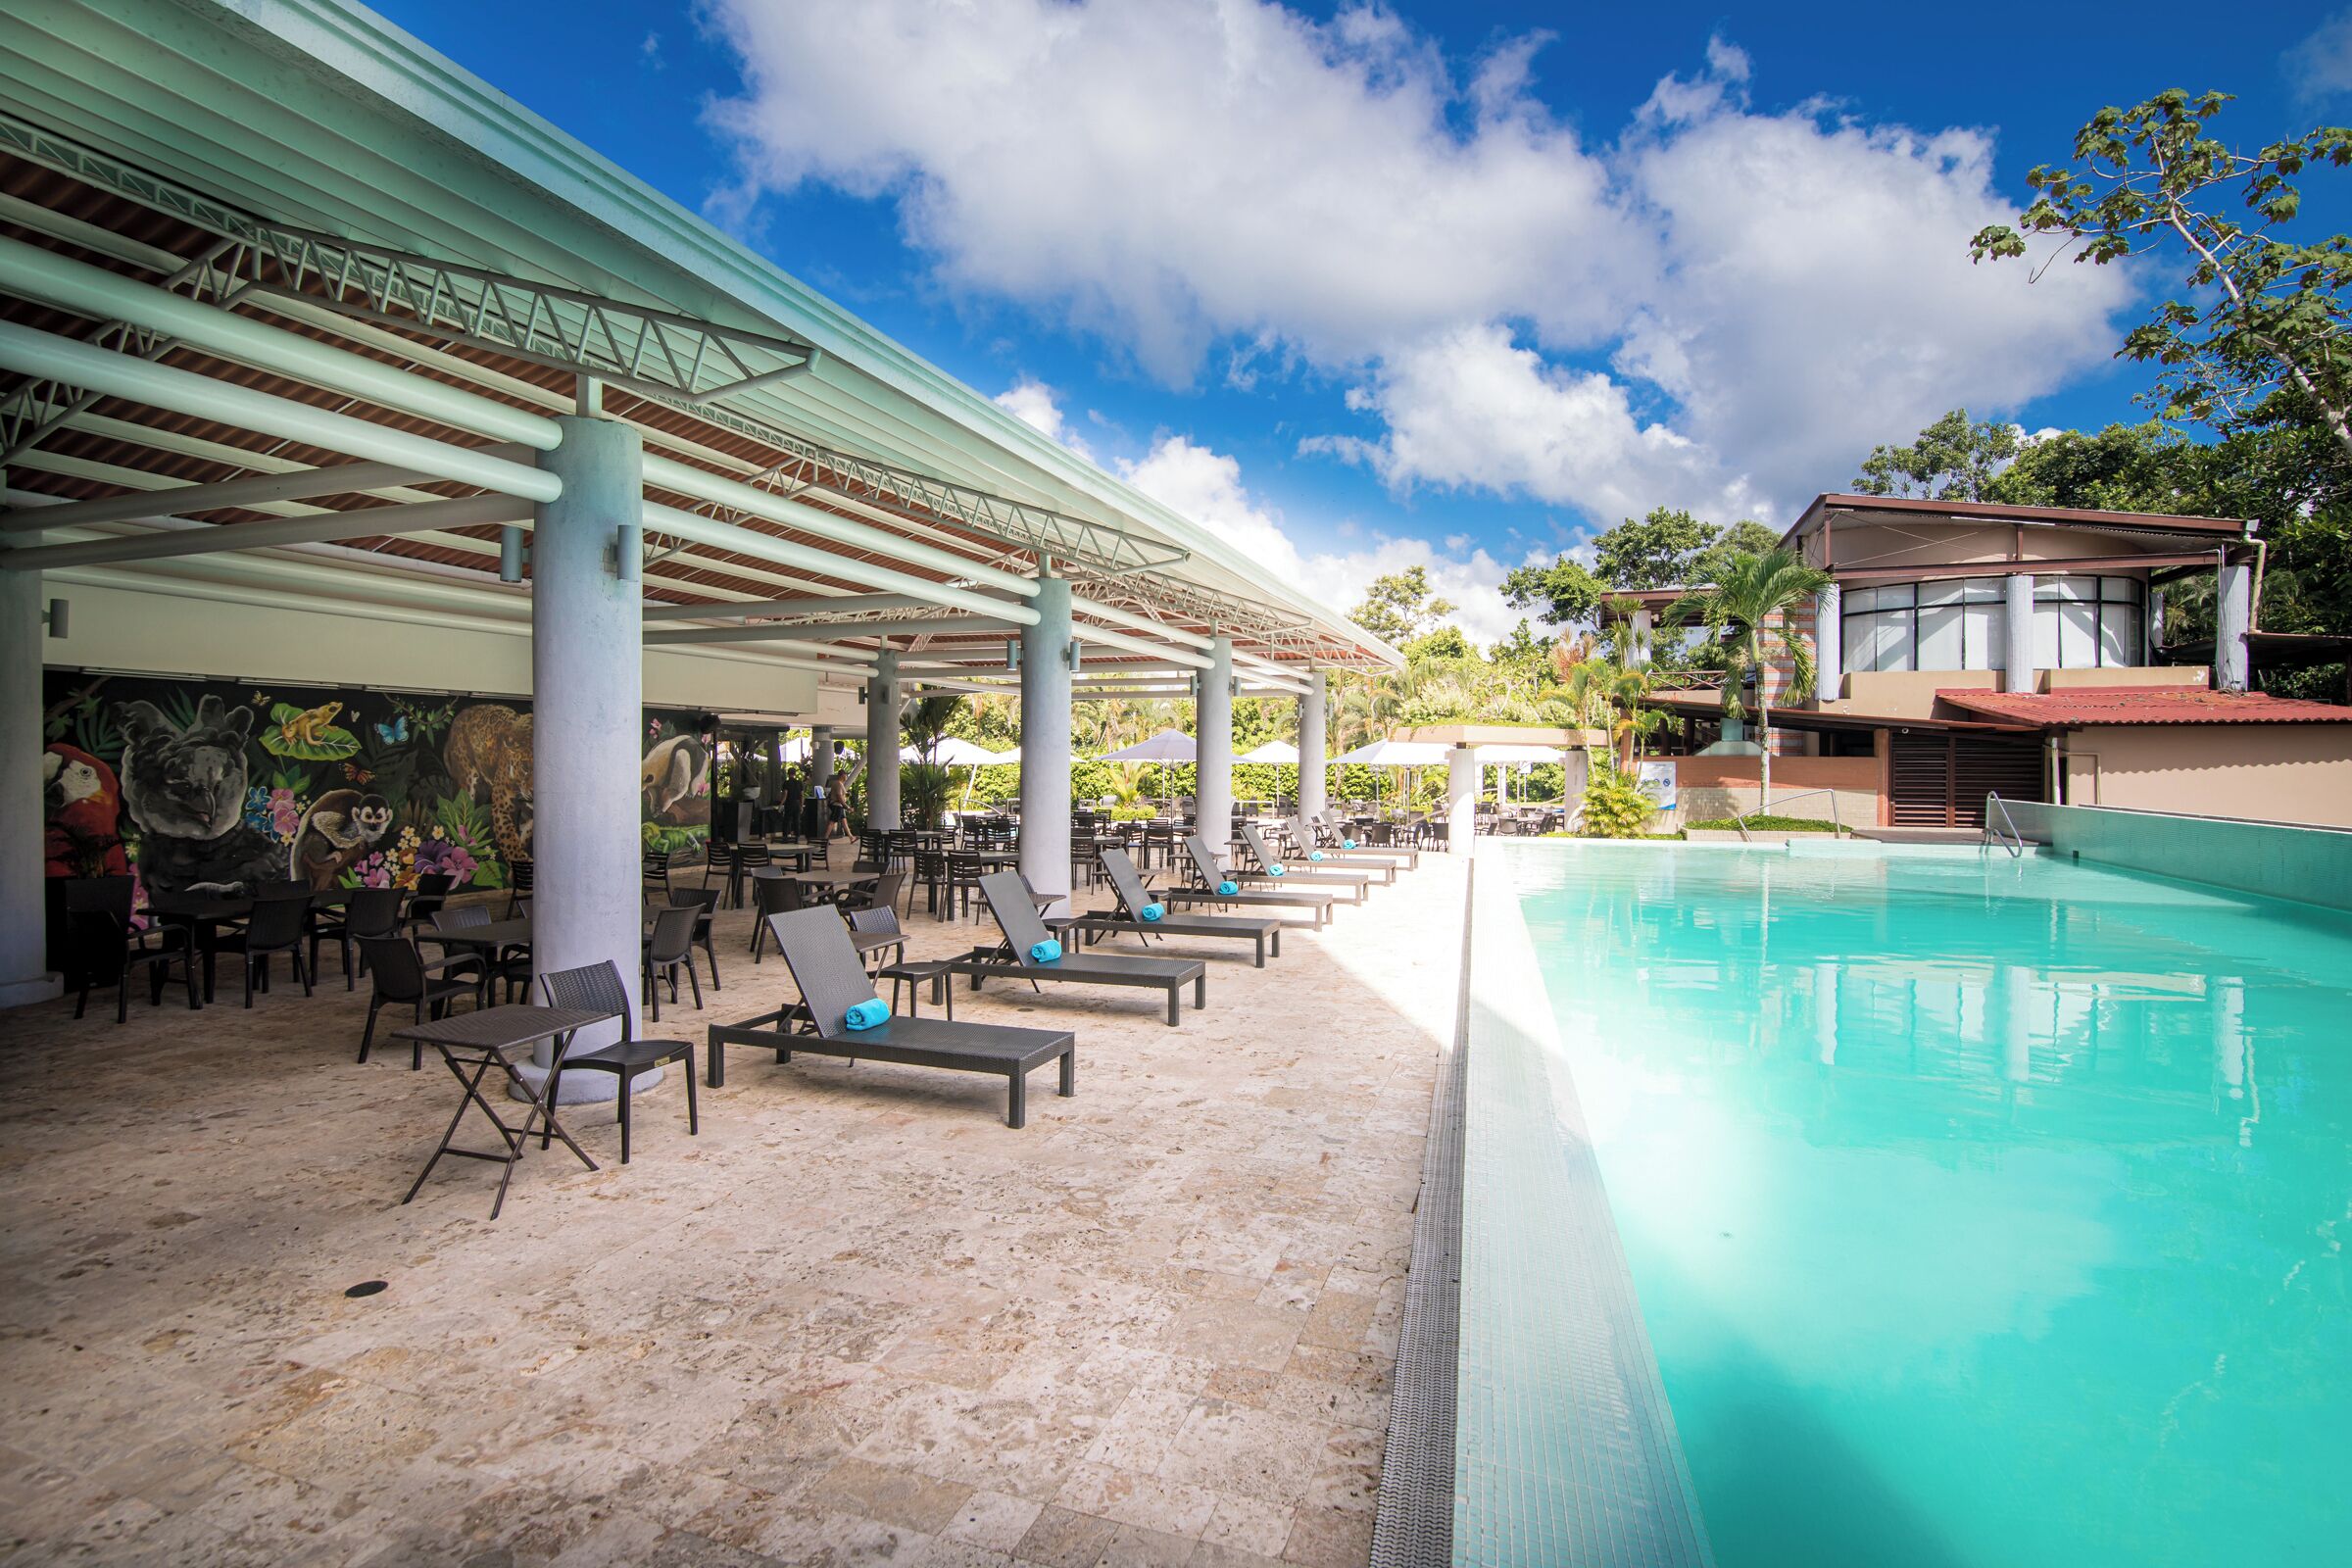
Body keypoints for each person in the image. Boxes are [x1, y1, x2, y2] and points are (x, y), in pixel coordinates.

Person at [780, 766, 805, 843]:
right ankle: (797, 837)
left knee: (787, 820)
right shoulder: (799, 783)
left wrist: (781, 804)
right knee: (797, 820)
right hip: (797, 803)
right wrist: (801, 805)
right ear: (795, 774)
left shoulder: (786, 783)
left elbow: (785, 794)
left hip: (789, 803)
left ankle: (785, 837)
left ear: (788, 774)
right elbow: (802, 795)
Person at [826, 769, 849, 838]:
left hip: (839, 805)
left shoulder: (839, 783)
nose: (846, 777)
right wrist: (846, 806)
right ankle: (825, 838)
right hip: (837, 805)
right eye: (846, 775)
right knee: (832, 822)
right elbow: (839, 796)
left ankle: (851, 837)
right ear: (843, 775)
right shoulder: (838, 783)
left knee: (844, 822)